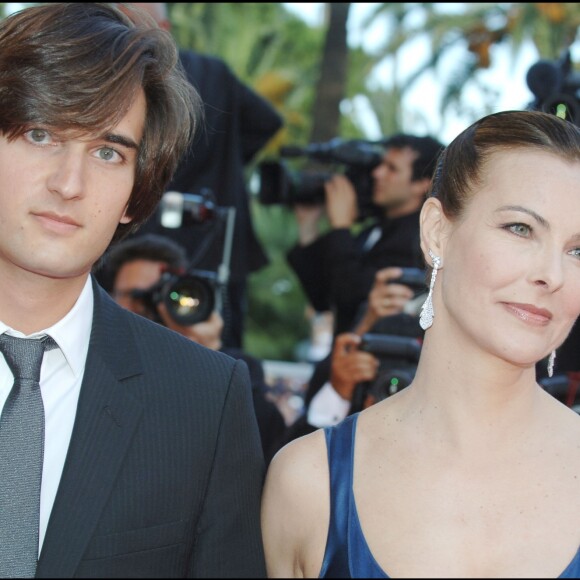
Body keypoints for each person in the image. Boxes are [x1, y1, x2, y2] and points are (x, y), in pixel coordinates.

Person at [0, 3, 266, 578]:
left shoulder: (204, 402)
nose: (69, 185)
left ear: (135, 192)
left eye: (107, 152)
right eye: (41, 133)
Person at [262, 110, 580, 578]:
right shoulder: (310, 484)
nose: (552, 275)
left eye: (578, 250)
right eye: (520, 229)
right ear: (437, 231)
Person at [103, 2, 284, 350]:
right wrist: (226, 163)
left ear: (165, 29)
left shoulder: (202, 74)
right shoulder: (212, 73)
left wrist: (225, 163)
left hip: (157, 240)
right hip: (201, 245)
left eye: (130, 20)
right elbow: (265, 123)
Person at [102, 233, 287, 466]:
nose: (144, 306)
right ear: (110, 298)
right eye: (134, 295)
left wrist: (208, 353)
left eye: (155, 295)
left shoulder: (233, 369)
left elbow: (261, 440)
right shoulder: (98, 363)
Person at [287, 133, 444, 337]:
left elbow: (351, 296)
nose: (377, 173)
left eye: (392, 168)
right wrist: (308, 226)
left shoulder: (421, 241)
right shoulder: (373, 231)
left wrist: (341, 227)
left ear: (423, 184)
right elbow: (323, 299)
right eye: (380, 164)